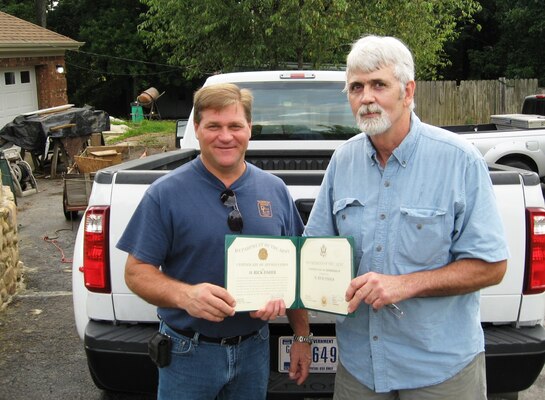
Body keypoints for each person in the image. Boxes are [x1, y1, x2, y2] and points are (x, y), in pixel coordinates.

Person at [303, 35, 509, 400]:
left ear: (408, 91)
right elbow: (315, 252)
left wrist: (405, 284)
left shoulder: (459, 160)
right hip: (359, 369)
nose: (366, 97)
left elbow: (491, 266)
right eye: (356, 87)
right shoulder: (342, 161)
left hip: (440, 370)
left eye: (379, 84)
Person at [118, 83, 311, 400]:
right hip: (187, 353)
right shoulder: (165, 194)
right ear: (196, 129)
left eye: (235, 125)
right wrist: (186, 295)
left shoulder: (274, 190)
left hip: (254, 350)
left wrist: (302, 337)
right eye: (214, 126)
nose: (225, 136)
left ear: (249, 129)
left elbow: (297, 268)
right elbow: (136, 272)